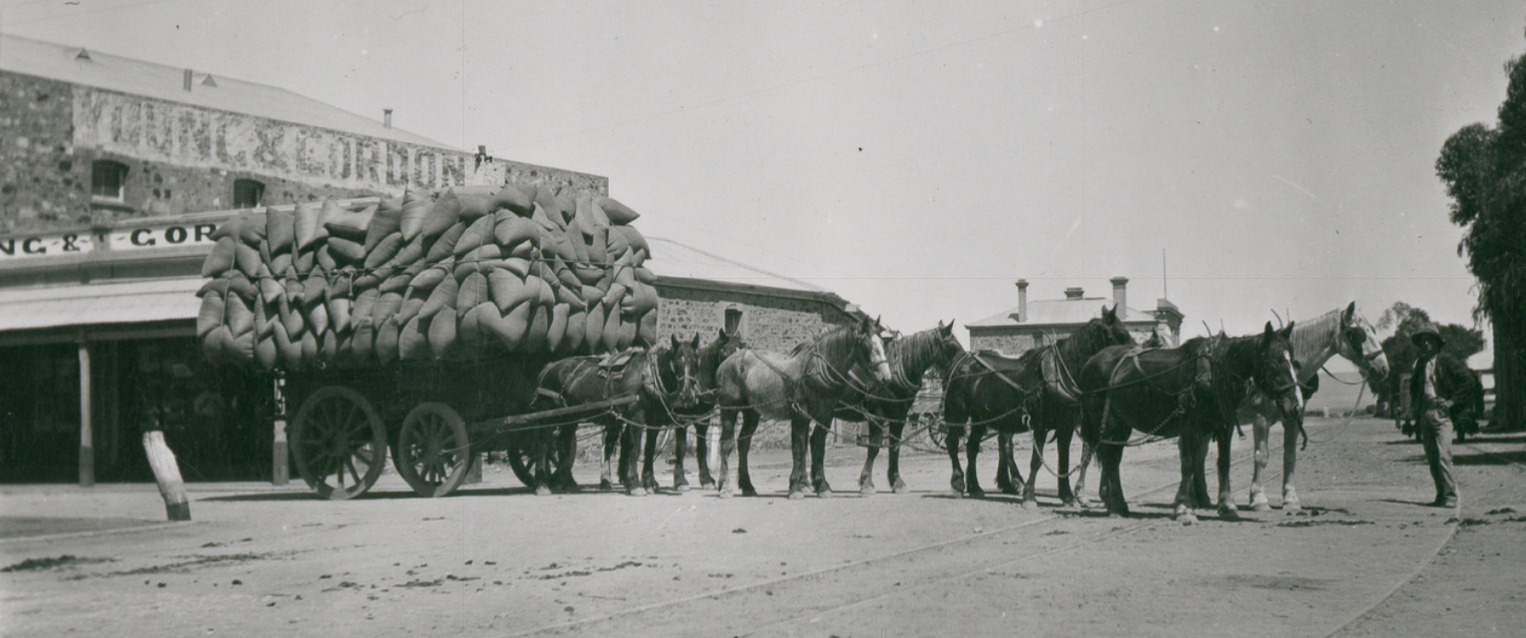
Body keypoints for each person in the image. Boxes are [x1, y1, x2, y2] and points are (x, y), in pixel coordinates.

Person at [1407, 323, 1477, 508]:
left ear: (1437, 343)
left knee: (1444, 456)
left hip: (1441, 415)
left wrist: (1451, 402)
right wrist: (1415, 407)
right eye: (1423, 341)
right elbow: (1414, 387)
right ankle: (1441, 495)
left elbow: (1467, 380)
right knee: (1432, 457)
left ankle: (1452, 497)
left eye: (1430, 340)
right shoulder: (1421, 364)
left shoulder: (1446, 360)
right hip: (1425, 413)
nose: (1426, 344)